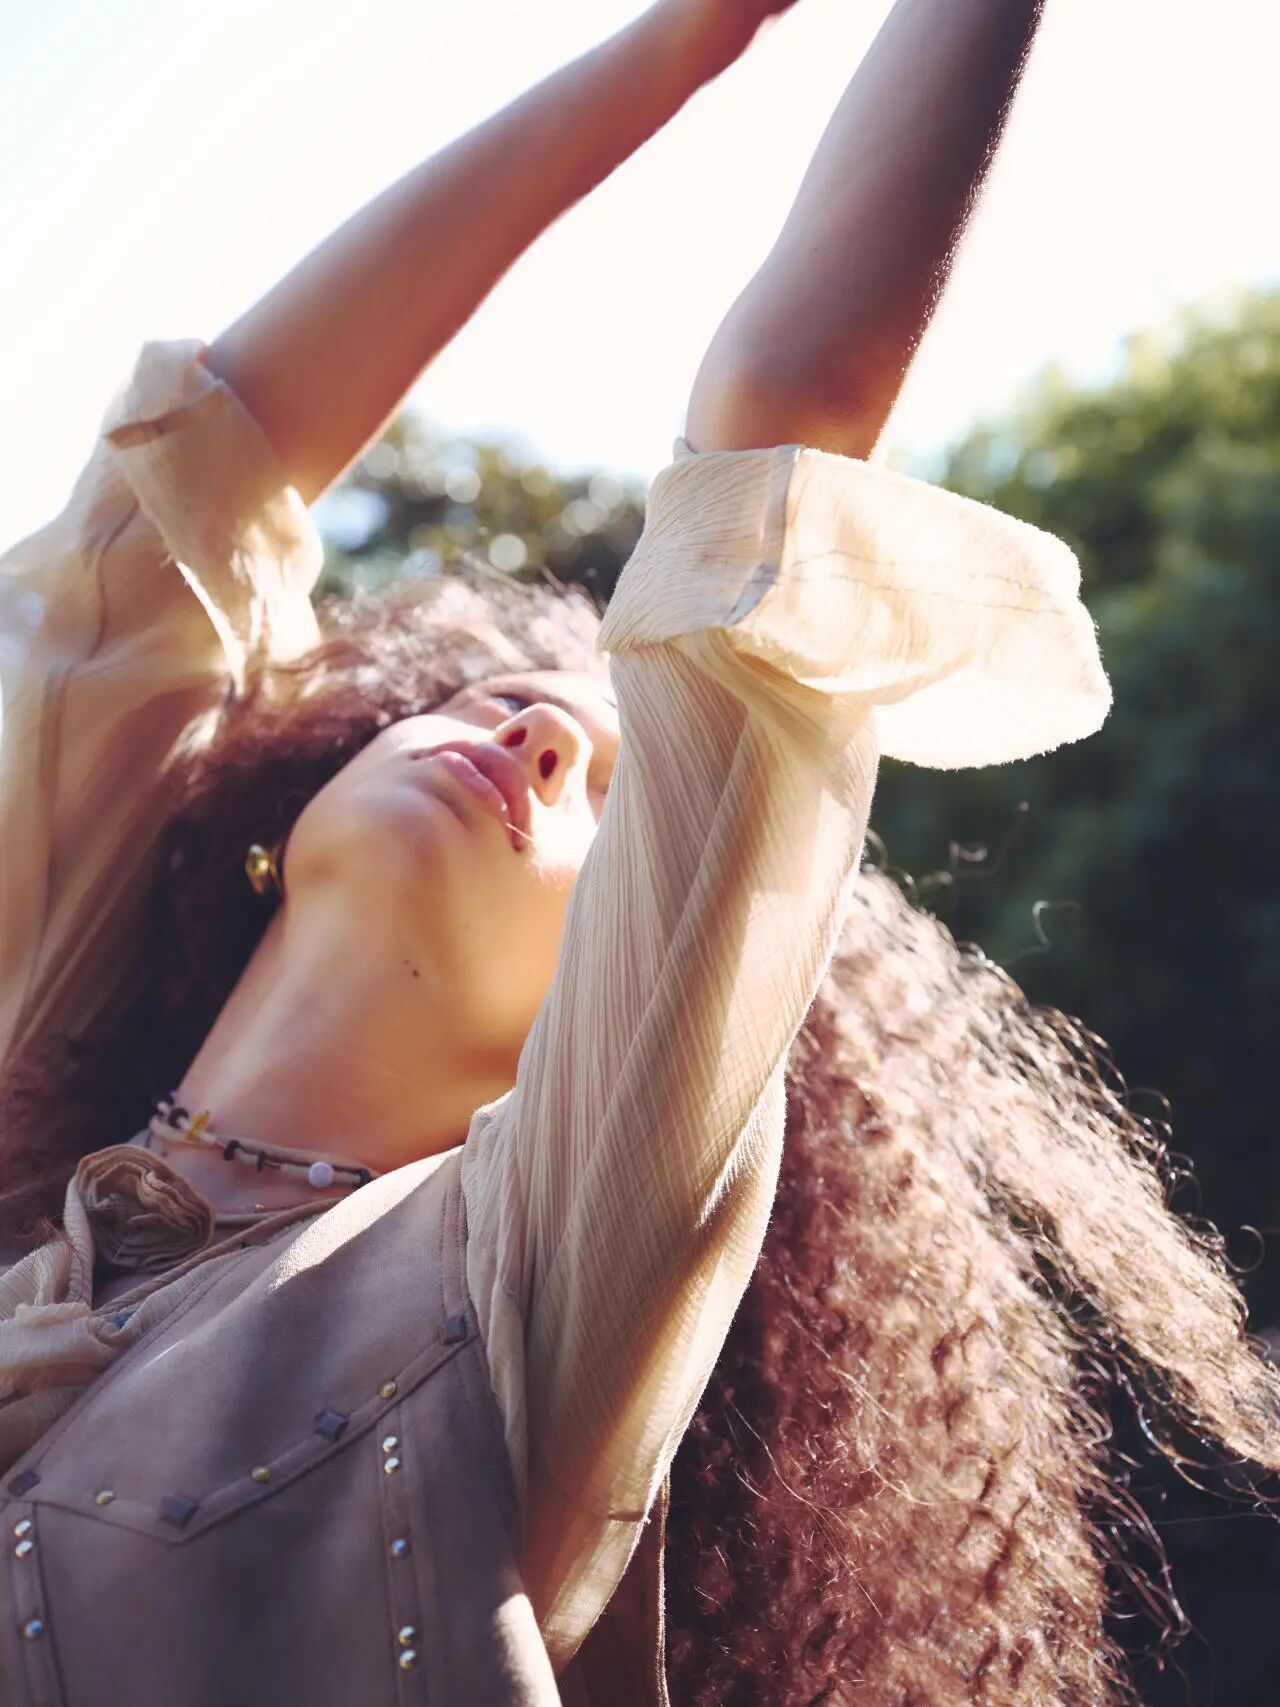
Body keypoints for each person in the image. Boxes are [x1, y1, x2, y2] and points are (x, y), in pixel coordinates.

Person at [1, 1, 1277, 1702]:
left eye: (608, 790)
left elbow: (781, 439)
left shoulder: (531, 1280)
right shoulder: (39, 1052)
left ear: (626, 995)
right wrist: (683, 39)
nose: (538, 734)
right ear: (277, 811)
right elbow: (198, 475)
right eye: (502, 701)